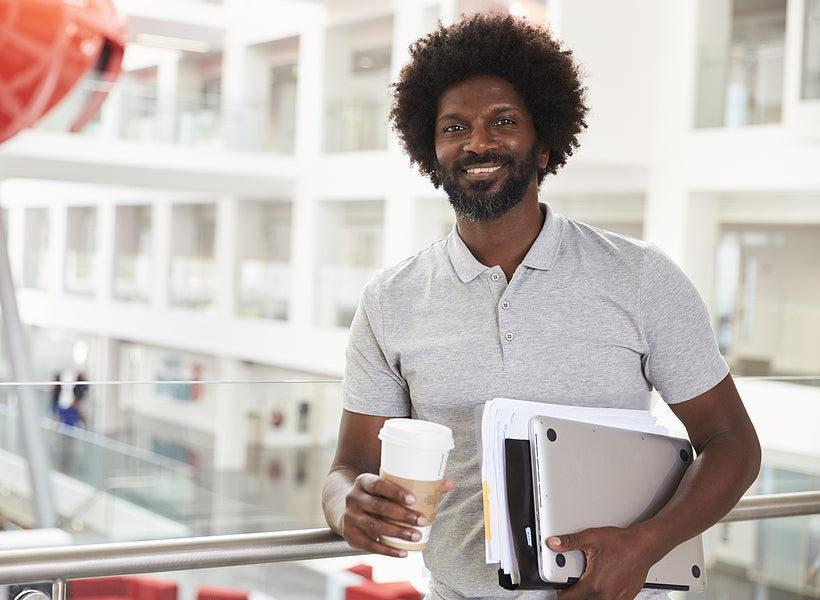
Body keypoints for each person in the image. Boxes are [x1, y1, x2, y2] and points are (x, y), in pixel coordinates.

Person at [321, 13, 762, 600]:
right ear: (431, 151)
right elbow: (348, 467)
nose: (478, 141)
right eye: (455, 127)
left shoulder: (641, 277)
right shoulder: (389, 299)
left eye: (503, 121)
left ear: (545, 141)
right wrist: (344, 507)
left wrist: (648, 544)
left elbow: (731, 442)